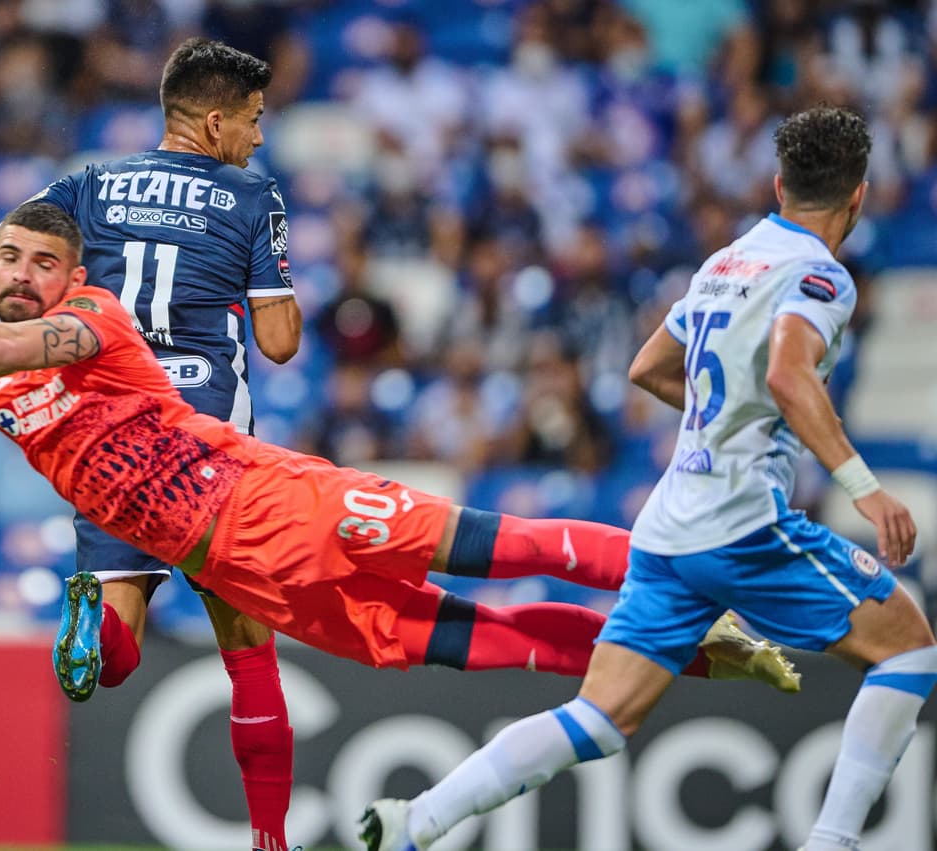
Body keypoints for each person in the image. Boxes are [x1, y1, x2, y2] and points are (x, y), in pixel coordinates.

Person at [0, 202, 799, 686]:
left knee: (511, 544)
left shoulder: (93, 322)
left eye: (37, 260)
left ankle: (718, 577)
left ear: (73, 275)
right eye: (4, 257)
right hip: (245, 570)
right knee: (495, 641)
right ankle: (703, 655)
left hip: (278, 500)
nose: (17, 272)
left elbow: (23, 340)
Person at [357, 106, 936, 851]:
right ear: (858, 195)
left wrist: (735, 413)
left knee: (600, 717)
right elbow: (791, 374)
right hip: (742, 523)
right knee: (911, 646)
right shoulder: (821, 274)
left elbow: (647, 368)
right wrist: (863, 485)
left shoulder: (728, 259)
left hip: (670, 527)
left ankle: (419, 819)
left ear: (777, 183)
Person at [0, 38, 304, 851]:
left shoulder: (93, 183)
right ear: (215, 122)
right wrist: (273, 278)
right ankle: (269, 840)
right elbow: (279, 342)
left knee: (116, 654)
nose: (258, 135)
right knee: (248, 648)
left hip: (109, 430)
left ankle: (94, 623)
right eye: (252, 119)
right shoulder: (253, 194)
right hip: (204, 436)